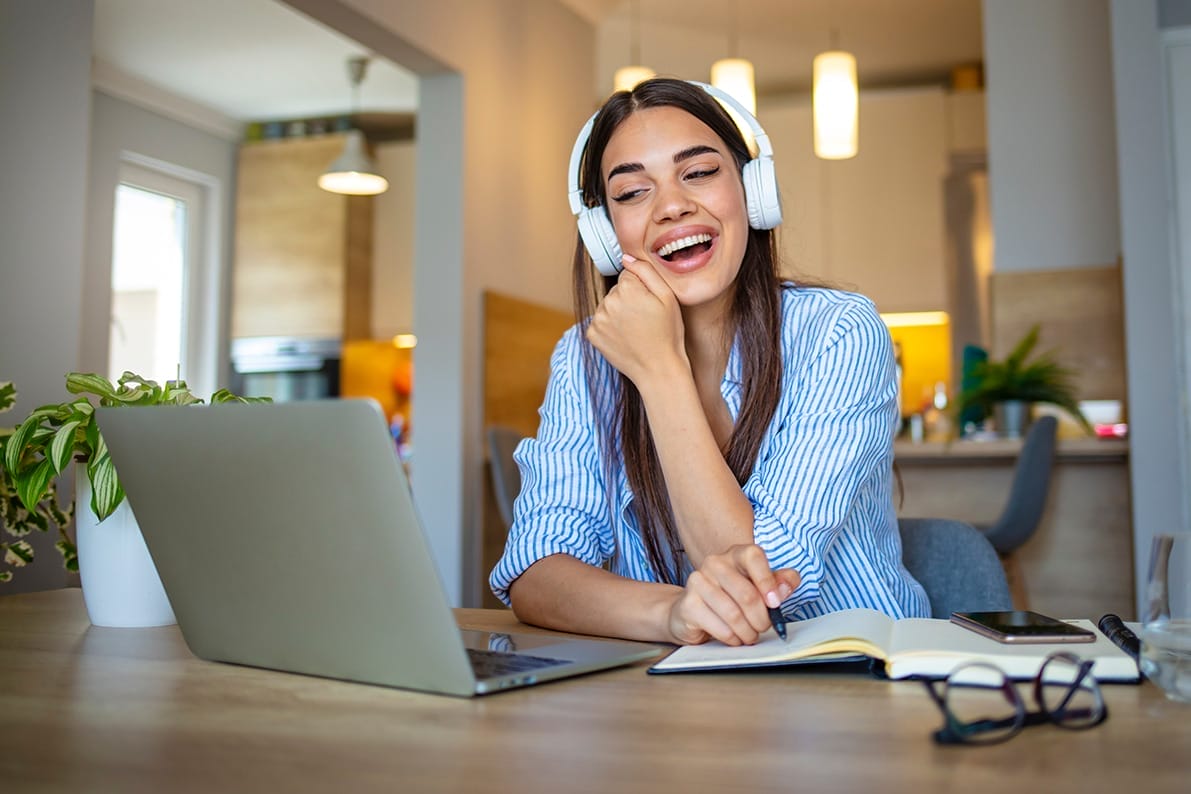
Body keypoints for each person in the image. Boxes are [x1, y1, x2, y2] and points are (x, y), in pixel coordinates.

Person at [490, 78, 929, 647]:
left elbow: (763, 590)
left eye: (698, 173)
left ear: (754, 189)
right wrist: (672, 613)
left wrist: (659, 371)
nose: (673, 206)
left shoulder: (838, 333)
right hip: (678, 699)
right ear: (603, 232)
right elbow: (535, 570)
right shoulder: (583, 359)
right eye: (631, 194)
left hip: (852, 683)